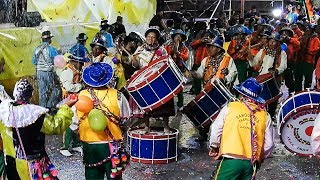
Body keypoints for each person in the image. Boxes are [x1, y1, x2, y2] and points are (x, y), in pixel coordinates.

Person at [0, 79, 76, 179]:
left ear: (15, 93)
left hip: (12, 162)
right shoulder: (35, 113)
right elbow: (55, 126)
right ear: (31, 94)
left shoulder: (5, 111)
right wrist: (66, 107)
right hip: (35, 164)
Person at [209, 77, 274, 179]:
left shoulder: (230, 107)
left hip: (231, 160)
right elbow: (269, 144)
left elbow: (216, 129)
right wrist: (259, 158)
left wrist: (214, 146)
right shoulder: (265, 115)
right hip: (251, 164)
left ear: (242, 94)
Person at [77, 62, 130, 179]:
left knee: (92, 176)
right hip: (112, 145)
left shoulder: (81, 96)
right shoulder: (118, 95)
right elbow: (126, 118)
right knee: (115, 176)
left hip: (89, 145)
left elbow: (74, 122)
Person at [131, 26, 173, 133]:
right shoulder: (140, 50)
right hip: (144, 80)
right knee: (145, 105)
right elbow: (135, 65)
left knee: (164, 104)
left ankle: (166, 126)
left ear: (157, 39)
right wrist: (134, 58)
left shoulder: (161, 50)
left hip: (159, 80)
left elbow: (166, 63)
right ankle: (146, 126)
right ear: (145, 38)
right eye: (149, 36)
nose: (150, 39)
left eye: (153, 37)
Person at [55, 50, 90, 157]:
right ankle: (64, 147)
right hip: (69, 99)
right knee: (70, 122)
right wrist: (81, 86)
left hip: (76, 98)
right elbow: (68, 87)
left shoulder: (75, 69)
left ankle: (75, 144)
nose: (82, 65)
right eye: (81, 62)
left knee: (76, 121)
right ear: (74, 61)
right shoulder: (67, 72)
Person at [32, 30, 60, 109]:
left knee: (42, 92)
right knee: (56, 90)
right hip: (48, 72)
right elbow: (58, 61)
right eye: (50, 38)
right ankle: (50, 106)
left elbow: (34, 62)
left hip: (39, 73)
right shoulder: (51, 49)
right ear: (48, 39)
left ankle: (42, 110)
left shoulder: (36, 49)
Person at [165, 29, 189, 109]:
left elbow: (186, 57)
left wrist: (179, 53)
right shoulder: (168, 46)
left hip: (180, 69)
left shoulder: (184, 48)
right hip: (170, 69)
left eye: (180, 36)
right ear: (173, 37)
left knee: (180, 88)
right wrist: (173, 51)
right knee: (169, 88)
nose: (178, 38)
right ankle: (169, 105)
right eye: (176, 36)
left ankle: (180, 104)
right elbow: (165, 55)